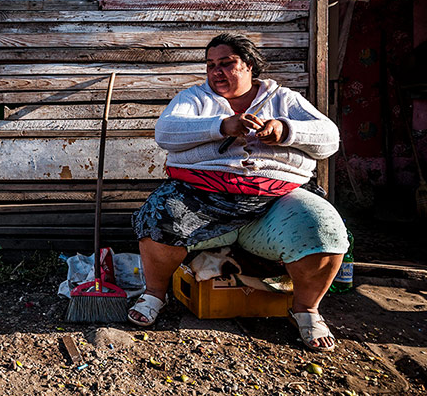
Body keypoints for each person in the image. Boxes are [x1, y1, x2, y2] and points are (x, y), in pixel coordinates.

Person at [128, 33, 348, 352]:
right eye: (210, 65)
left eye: (226, 64)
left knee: (325, 228)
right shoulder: (194, 97)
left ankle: (306, 309)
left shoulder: (283, 98)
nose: (216, 71)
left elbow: (329, 138)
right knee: (160, 213)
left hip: (276, 202)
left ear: (249, 65)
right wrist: (222, 126)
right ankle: (154, 294)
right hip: (203, 199)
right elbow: (166, 132)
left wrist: (286, 130)